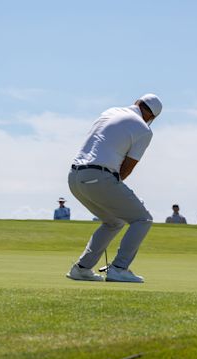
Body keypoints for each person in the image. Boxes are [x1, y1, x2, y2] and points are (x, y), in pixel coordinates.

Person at [66, 93, 162, 283]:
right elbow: (126, 169)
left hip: (74, 177)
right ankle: (119, 268)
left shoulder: (110, 111)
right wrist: (119, 193)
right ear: (152, 117)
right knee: (142, 218)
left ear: (137, 103)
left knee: (114, 221)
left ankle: (82, 269)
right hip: (98, 177)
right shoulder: (144, 129)